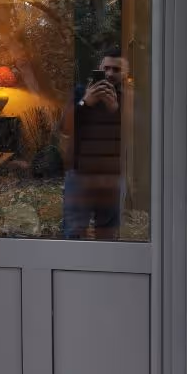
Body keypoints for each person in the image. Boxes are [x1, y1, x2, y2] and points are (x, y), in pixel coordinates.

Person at [60, 46, 129, 240]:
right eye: (106, 68)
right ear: (98, 68)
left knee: (107, 233)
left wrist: (116, 109)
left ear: (124, 74)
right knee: (74, 232)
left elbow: (135, 135)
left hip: (111, 177)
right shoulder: (81, 93)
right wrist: (85, 102)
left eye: (116, 70)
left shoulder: (127, 99)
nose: (110, 74)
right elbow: (65, 127)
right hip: (80, 173)